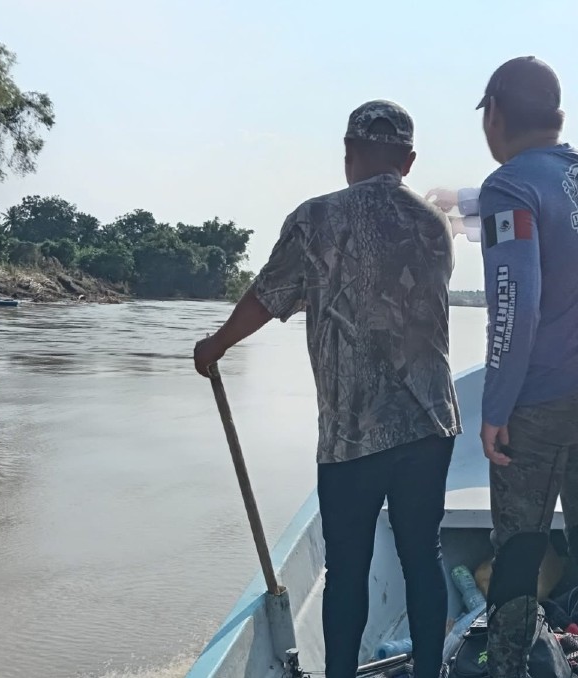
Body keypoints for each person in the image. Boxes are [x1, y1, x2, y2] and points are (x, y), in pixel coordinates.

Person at [193, 100, 461, 678]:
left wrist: (216, 345)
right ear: (408, 161)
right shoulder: (433, 225)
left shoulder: (316, 220)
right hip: (429, 426)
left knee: (346, 569)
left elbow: (267, 297)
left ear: (347, 155)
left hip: (352, 432)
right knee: (422, 558)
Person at [432, 56, 578, 678]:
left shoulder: (509, 188)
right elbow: (553, 223)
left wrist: (495, 410)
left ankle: (508, 667)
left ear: (493, 115)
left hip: (536, 407)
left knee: (518, 548)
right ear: (558, 115)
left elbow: (514, 305)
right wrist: (467, 201)